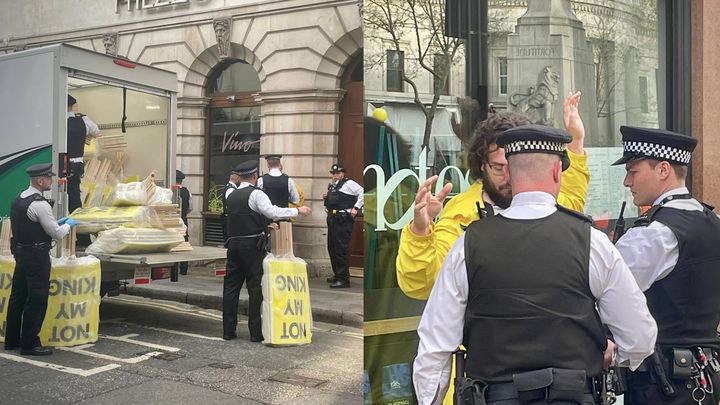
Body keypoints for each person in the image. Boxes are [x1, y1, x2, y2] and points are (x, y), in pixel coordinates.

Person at [413, 125, 657, 405]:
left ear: (510, 173)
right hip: (573, 396)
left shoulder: (468, 244)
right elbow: (640, 337)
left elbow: (435, 346)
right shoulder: (592, 242)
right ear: (556, 172)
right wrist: (614, 355)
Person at [396, 92, 589, 300]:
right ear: (481, 164)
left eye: (515, 166)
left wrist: (576, 141)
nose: (508, 177)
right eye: (498, 167)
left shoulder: (541, 201)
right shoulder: (461, 214)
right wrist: (420, 231)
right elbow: (422, 285)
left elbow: (571, 201)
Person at [612, 126, 720, 404]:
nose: (627, 181)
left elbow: (607, 296)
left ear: (663, 170)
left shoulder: (654, 234)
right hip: (705, 376)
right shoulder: (712, 221)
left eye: (633, 171)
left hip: (661, 384)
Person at [222, 160, 311, 342]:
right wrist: (297, 211)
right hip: (252, 247)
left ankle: (228, 331)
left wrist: (263, 223)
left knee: (231, 288)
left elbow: (244, 216)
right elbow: (272, 212)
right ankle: (255, 333)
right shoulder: (256, 194)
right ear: (254, 176)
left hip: (233, 245)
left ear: (239, 177)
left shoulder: (230, 194)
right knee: (255, 288)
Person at [4, 163, 77, 356]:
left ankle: (11, 340)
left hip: (21, 254)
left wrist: (54, 223)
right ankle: (30, 344)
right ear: (40, 180)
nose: (50, 181)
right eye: (48, 178)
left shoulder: (19, 199)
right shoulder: (40, 204)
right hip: (37, 257)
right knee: (36, 299)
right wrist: (68, 224)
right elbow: (57, 234)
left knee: (17, 297)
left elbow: (31, 225)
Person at [323, 163, 363, 288]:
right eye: (333, 174)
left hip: (343, 219)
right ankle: (337, 274)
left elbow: (362, 192)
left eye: (338, 173)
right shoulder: (333, 186)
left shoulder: (349, 184)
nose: (335, 176)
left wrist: (356, 208)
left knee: (341, 249)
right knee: (332, 248)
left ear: (342, 173)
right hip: (333, 218)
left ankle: (343, 279)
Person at [66, 94, 99, 246]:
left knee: (59, 200)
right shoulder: (83, 120)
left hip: (60, 165)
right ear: (73, 106)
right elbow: (96, 132)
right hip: (76, 166)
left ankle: (67, 235)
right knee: (74, 201)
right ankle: (82, 237)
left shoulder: (57, 119)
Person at [176, 170, 192, 275]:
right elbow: (191, 207)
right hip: (183, 220)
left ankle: (172, 267)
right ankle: (183, 269)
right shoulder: (187, 192)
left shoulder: (170, 191)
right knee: (184, 243)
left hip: (172, 221)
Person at [220, 170, 240, 243]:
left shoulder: (230, 187)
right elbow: (232, 205)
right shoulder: (231, 189)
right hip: (230, 218)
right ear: (237, 178)